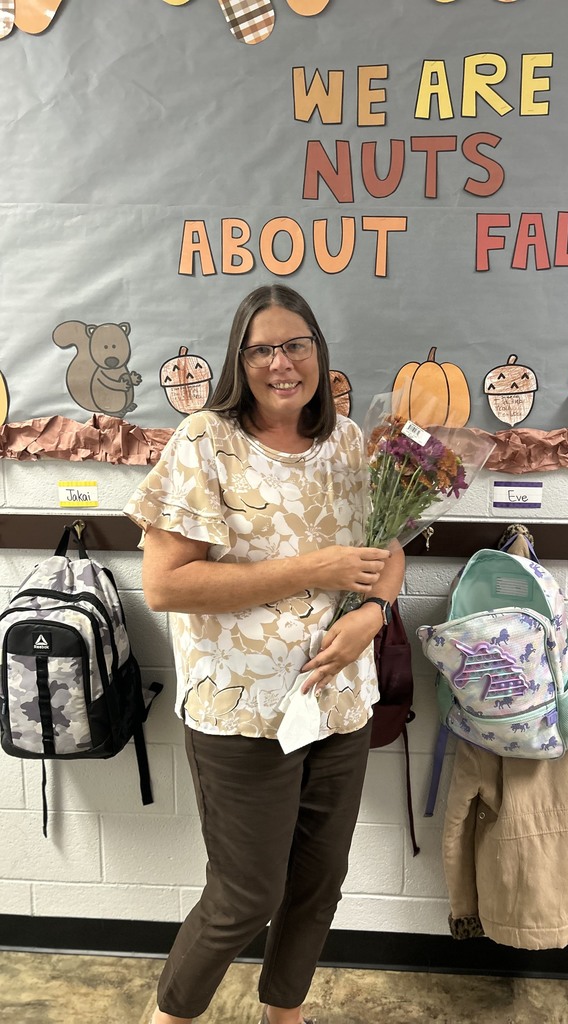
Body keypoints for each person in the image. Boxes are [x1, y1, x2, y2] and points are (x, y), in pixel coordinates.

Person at [124, 284, 405, 1024]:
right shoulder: (202, 441)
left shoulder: (348, 440)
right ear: (238, 360)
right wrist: (315, 569)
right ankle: (170, 1017)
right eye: (261, 349)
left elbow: (390, 547)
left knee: (318, 881)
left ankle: (284, 1012)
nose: (281, 363)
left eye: (296, 345)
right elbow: (165, 585)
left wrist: (373, 613)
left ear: (319, 351)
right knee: (247, 893)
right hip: (240, 710)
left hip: (338, 703)